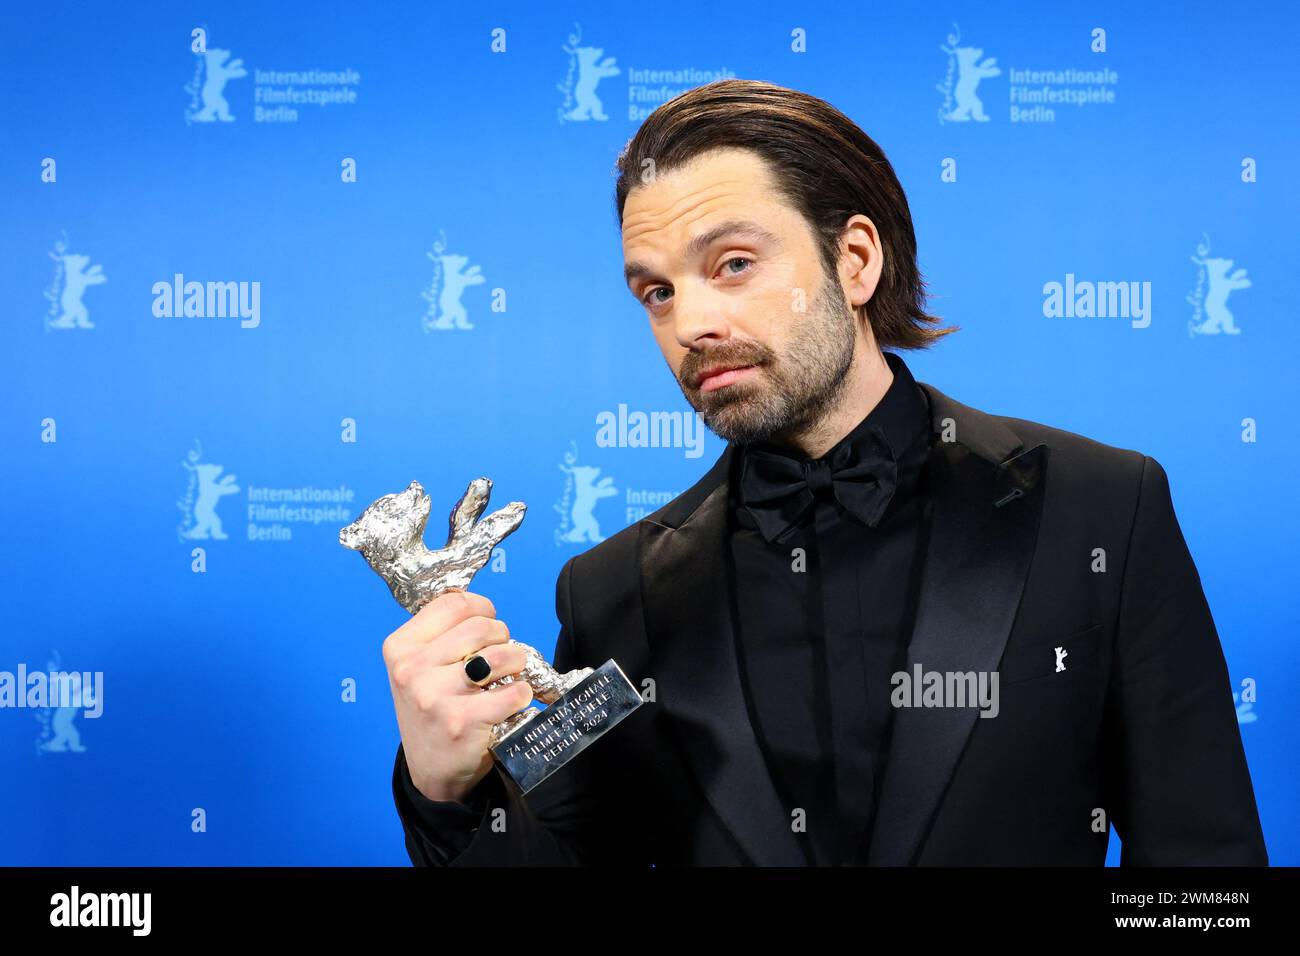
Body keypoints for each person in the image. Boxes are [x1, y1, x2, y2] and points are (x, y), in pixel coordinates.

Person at [382, 79, 1267, 866]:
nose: (689, 321)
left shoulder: (1102, 511)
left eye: (732, 264)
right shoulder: (610, 593)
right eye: (656, 291)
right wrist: (449, 797)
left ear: (855, 261)